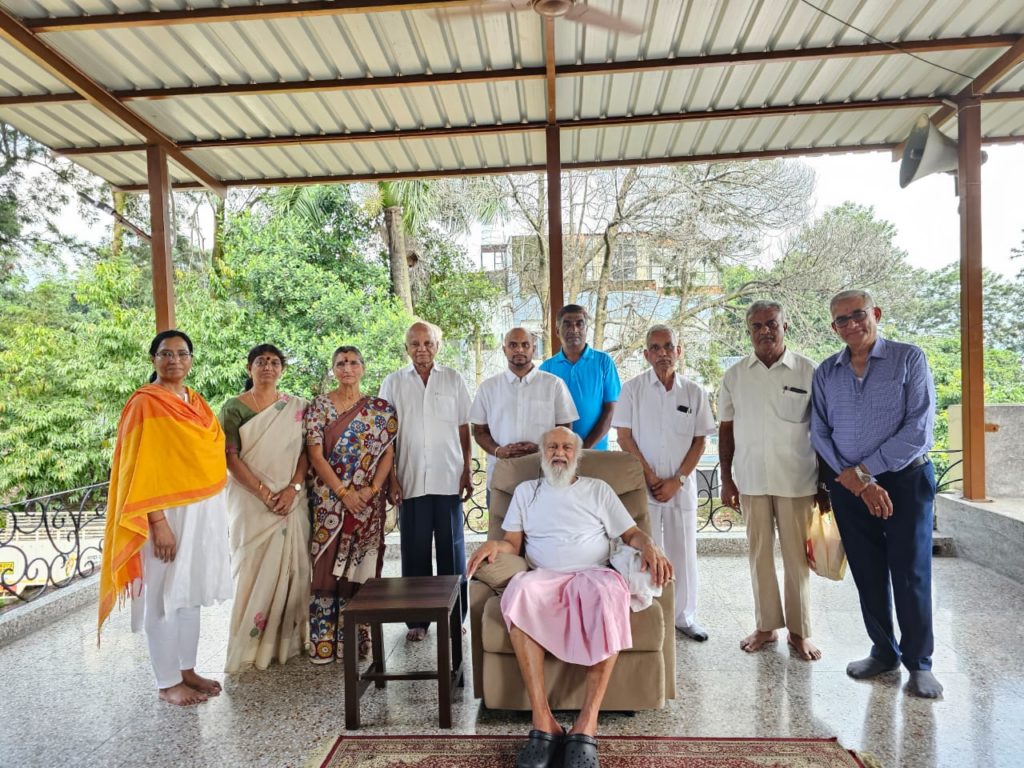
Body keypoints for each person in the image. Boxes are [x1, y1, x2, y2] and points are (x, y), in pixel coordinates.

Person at [468, 427, 672, 768]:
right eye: (551, 447)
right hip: (543, 577)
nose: (558, 452)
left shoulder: (598, 490)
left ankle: (586, 724)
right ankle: (542, 721)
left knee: (610, 597)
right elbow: (512, 546)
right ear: (542, 453)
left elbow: (632, 532)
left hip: (593, 574)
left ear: (577, 454)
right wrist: (494, 544)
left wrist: (649, 544)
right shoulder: (525, 492)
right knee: (518, 591)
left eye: (565, 447)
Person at [810, 289, 942, 699]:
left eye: (857, 315)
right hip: (848, 486)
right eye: (841, 320)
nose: (850, 325)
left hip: (905, 480)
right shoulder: (826, 371)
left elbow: (919, 430)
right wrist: (854, 481)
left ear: (876, 314)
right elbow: (819, 431)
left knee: (910, 572)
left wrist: (866, 473)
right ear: (833, 328)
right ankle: (884, 651)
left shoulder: (909, 358)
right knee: (867, 572)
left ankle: (919, 662)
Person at [98, 330, 231, 706]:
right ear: (153, 359)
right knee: (160, 595)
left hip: (199, 514)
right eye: (165, 353)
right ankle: (167, 680)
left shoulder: (198, 402)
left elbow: (208, 455)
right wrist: (158, 524)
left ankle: (187, 669)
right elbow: (139, 469)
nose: (174, 360)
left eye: (182, 353)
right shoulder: (144, 404)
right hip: (161, 516)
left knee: (188, 594)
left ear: (191, 360)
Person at [718, 301, 827, 661]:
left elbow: (824, 431)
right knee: (759, 556)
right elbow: (726, 430)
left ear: (786, 326)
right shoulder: (735, 376)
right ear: (748, 331)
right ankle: (767, 626)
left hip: (797, 480)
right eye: (757, 326)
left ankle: (800, 632)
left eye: (772, 324)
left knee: (797, 560)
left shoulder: (809, 372)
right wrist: (727, 480)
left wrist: (825, 485)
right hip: (750, 480)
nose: (765, 331)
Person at [614, 324, 716, 641]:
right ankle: (649, 614)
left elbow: (700, 441)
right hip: (644, 485)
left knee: (682, 552)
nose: (662, 353)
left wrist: (678, 479)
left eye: (668, 347)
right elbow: (624, 437)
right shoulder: (632, 390)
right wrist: (652, 477)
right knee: (645, 551)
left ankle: (684, 617)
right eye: (655, 348)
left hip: (680, 488)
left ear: (678, 351)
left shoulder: (694, 392)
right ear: (646, 354)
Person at [219, 344, 311, 672]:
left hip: (291, 500)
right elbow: (230, 458)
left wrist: (293, 488)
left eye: (274, 362)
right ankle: (250, 646)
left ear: (282, 369)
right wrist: (263, 493)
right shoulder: (233, 408)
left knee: (293, 572)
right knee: (252, 571)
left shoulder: (297, 408)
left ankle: (291, 643)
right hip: (250, 503)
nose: (268, 367)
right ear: (249, 369)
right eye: (261, 362)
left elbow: (307, 453)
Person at [379, 321, 472, 643]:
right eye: (415, 343)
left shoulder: (453, 379)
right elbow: (386, 437)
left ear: (438, 345)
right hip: (410, 478)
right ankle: (416, 621)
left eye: (428, 343)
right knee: (414, 553)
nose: (422, 349)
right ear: (406, 348)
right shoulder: (392, 383)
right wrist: (392, 479)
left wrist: (466, 471)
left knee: (453, 553)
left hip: (448, 478)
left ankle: (453, 617)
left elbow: (463, 429)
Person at [304, 346, 398, 664]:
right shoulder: (319, 407)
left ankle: (357, 643)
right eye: (341, 363)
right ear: (333, 369)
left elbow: (387, 453)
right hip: (329, 502)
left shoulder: (380, 410)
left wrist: (372, 490)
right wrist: (344, 493)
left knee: (361, 569)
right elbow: (315, 455)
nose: (347, 368)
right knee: (325, 568)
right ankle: (324, 644)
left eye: (354, 362)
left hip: (367, 505)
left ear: (363, 368)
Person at [470, 327, 577, 490]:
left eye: (525, 345)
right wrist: (498, 451)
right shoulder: (488, 387)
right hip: (502, 479)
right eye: (513, 345)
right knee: (501, 517)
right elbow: (479, 431)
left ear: (533, 349)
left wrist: (541, 448)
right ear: (504, 350)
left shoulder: (554, 384)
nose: (519, 349)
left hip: (544, 477)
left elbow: (565, 430)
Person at [539, 305, 620, 450]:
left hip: (596, 453)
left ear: (586, 329)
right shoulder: (546, 369)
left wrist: (585, 447)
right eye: (567, 324)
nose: (574, 329)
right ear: (557, 331)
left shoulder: (604, 362)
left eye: (579, 324)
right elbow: (542, 415)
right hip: (558, 455)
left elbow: (612, 410)